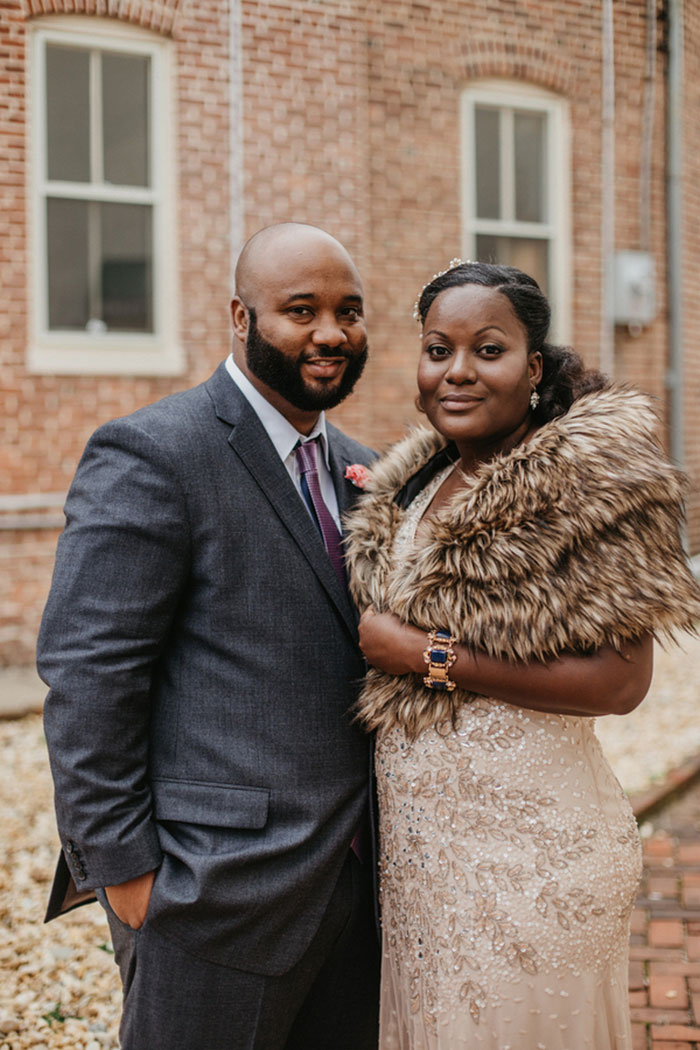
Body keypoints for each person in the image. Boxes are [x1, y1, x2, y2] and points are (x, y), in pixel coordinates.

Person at [38, 222, 380, 1050]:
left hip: (357, 893)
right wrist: (125, 873)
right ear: (241, 316)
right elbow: (90, 675)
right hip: (211, 899)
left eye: (349, 310)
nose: (330, 332)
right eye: (300, 309)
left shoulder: (367, 471)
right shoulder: (155, 452)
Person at [344, 260, 700, 1050]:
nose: (458, 371)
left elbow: (622, 681)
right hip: (425, 863)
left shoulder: (592, 482)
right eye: (438, 349)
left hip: (538, 859)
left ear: (533, 367)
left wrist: (426, 654)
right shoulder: (421, 477)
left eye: (488, 349)